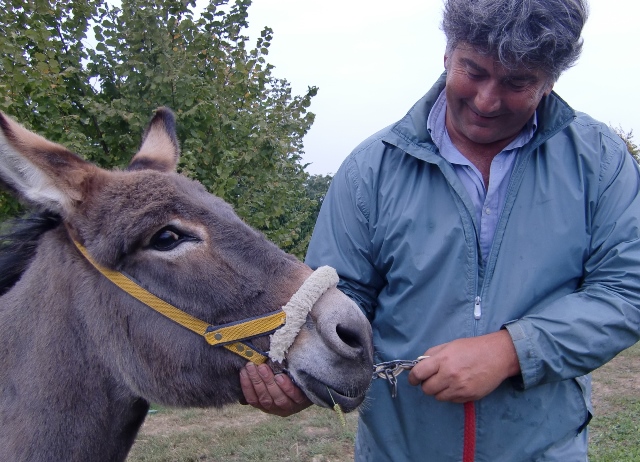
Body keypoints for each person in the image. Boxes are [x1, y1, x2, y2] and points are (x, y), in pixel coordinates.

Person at [239, 0, 640, 460]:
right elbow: (338, 303)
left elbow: (627, 292)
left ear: (549, 81)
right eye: (473, 70)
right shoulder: (370, 170)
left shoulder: (601, 162)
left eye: (517, 82)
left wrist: (509, 352)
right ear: (448, 54)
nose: (487, 100)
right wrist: (302, 383)